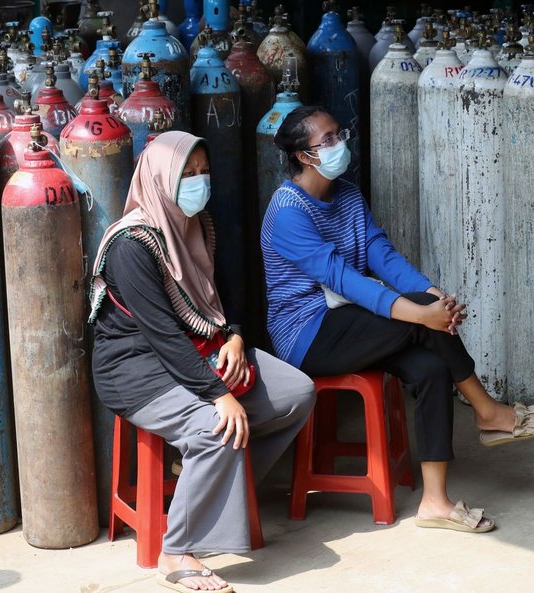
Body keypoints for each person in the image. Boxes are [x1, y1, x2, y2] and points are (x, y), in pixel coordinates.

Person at [260, 106, 534, 534]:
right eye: (327, 140)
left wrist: (434, 295)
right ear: (304, 156)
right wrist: (421, 313)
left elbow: (381, 254)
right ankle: (488, 411)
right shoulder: (289, 213)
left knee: (433, 367)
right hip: (309, 333)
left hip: (355, 321)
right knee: (423, 320)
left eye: (338, 133)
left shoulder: (346, 195)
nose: (339, 143)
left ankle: (435, 501)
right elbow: (343, 279)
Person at [89, 131, 316, 593]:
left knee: (297, 393)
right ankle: (175, 553)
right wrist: (219, 395)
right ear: (159, 180)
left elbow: (226, 295)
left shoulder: (200, 225)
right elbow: (162, 334)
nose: (198, 184)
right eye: (186, 176)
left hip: (205, 347)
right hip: (136, 368)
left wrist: (234, 336)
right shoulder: (132, 245)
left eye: (203, 173)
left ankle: (218, 492)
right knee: (216, 429)